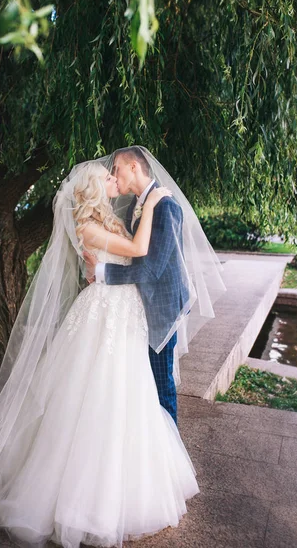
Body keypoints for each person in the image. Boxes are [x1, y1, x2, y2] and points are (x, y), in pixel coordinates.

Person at [0, 159, 202, 548]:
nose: (113, 179)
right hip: (105, 312)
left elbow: (140, 258)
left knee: (128, 393)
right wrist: (152, 204)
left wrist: (142, 217)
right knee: (95, 394)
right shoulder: (88, 226)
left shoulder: (108, 220)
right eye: (107, 177)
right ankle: (84, 498)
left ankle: (126, 481)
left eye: (114, 173)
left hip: (123, 313)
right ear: (91, 188)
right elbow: (139, 250)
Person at [84, 146, 188, 426]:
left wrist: (102, 272)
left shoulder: (166, 205)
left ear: (133, 167)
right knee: (139, 383)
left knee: (160, 383)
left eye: (116, 169)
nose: (114, 177)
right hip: (136, 308)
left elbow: (151, 268)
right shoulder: (135, 205)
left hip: (161, 307)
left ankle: (170, 455)